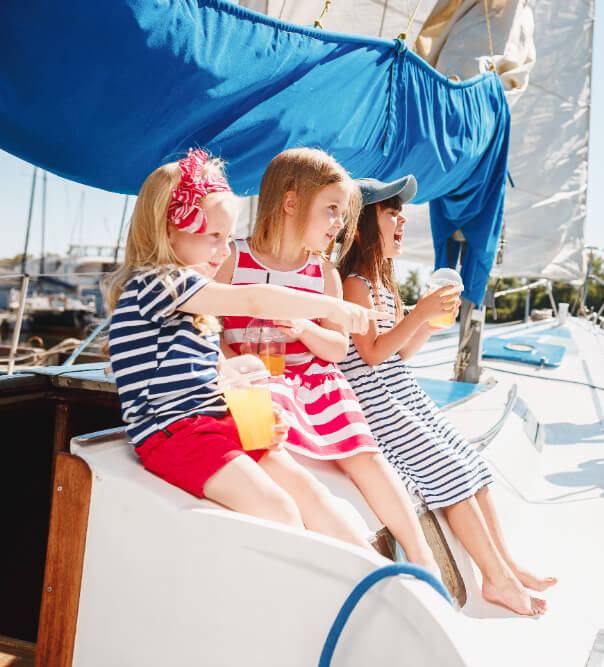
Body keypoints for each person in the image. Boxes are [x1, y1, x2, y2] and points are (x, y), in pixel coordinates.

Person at [104, 149, 389, 554]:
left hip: (211, 423)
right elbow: (253, 300)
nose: (224, 250)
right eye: (213, 237)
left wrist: (247, 409)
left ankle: (374, 576)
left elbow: (215, 374)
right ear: (169, 231)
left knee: (310, 493)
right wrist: (332, 307)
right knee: (279, 510)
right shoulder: (159, 283)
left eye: (227, 236)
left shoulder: (189, 305)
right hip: (174, 435)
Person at [338, 175, 556, 616]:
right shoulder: (354, 283)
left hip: (401, 393)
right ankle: (494, 580)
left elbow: (401, 350)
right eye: (390, 212)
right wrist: (419, 312)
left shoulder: (384, 283)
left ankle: (507, 566)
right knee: (447, 470)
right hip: (377, 404)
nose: (401, 220)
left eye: (401, 213)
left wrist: (428, 321)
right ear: (361, 225)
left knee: (470, 461)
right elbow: (373, 354)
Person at [216, 147, 437, 574]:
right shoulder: (233, 259)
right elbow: (207, 326)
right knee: (272, 441)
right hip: (258, 380)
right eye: (332, 209)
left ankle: (421, 554)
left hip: (314, 381)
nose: (340, 223)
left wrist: (304, 327)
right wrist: (233, 365)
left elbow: (337, 349)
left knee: (366, 455)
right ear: (291, 202)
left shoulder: (324, 274)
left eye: (343, 212)